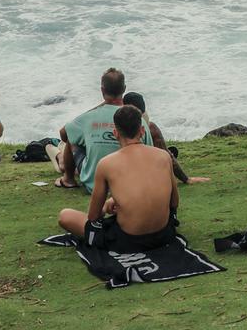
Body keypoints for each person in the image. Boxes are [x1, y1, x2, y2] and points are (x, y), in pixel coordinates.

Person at [56, 105, 179, 253]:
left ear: (115, 133)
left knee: (65, 216)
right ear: (142, 131)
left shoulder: (106, 163)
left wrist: (107, 207)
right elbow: (174, 202)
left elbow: (94, 216)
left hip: (127, 241)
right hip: (164, 235)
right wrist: (116, 202)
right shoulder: (163, 156)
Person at [55, 69, 152, 193]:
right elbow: (149, 151)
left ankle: (68, 180)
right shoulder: (138, 120)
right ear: (124, 89)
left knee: (72, 135)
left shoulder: (88, 119)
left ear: (102, 90)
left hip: (95, 184)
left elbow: (64, 134)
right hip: (130, 185)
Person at [121, 92, 209, 184]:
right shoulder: (150, 128)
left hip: (120, 174)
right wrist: (186, 179)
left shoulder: (115, 126)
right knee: (165, 153)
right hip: (144, 178)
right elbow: (167, 155)